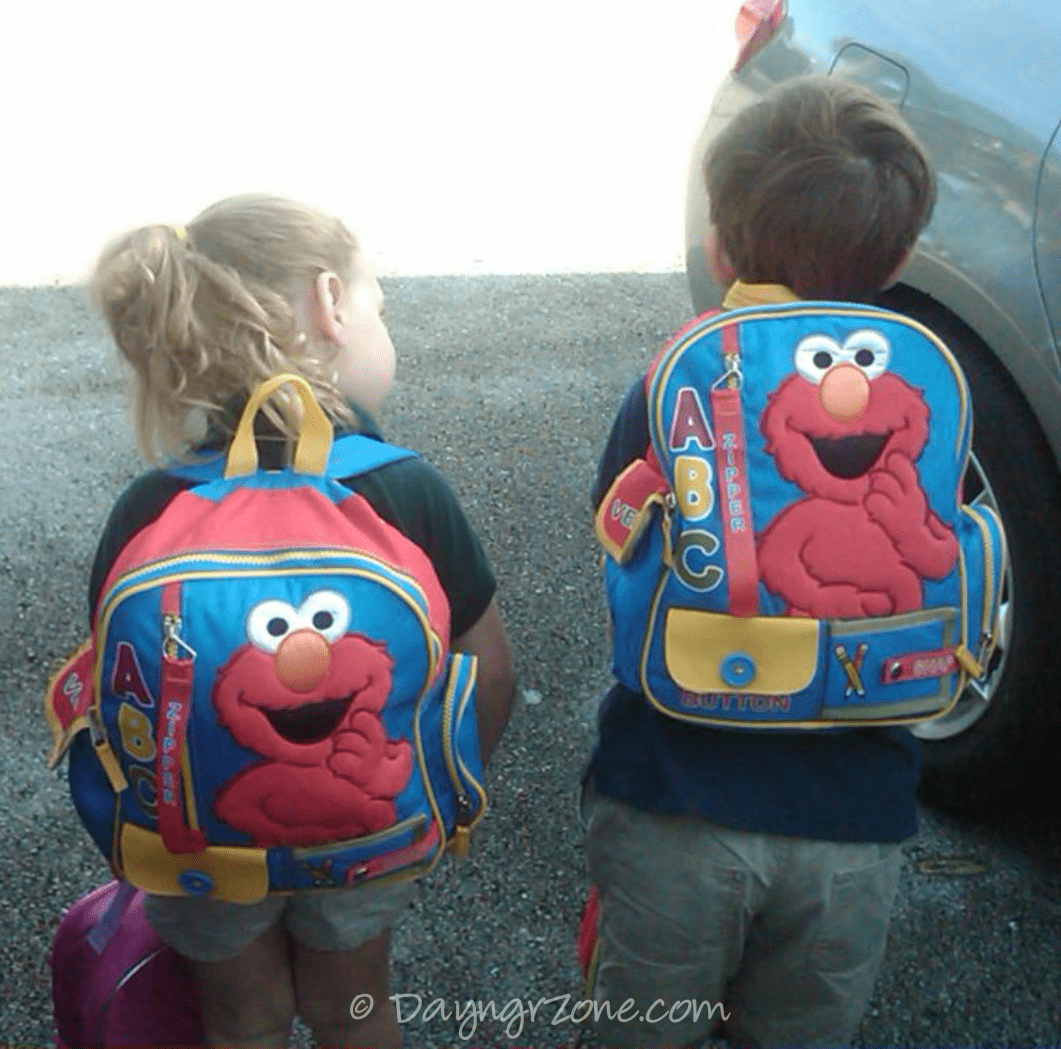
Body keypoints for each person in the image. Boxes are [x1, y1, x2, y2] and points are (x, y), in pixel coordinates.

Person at [88, 194, 516, 1049]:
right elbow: (491, 670)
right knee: (353, 1008)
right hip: (370, 822)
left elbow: (113, 689)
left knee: (242, 1019)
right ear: (330, 305)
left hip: (198, 845)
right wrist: (429, 784)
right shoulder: (400, 492)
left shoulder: (151, 506)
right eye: (377, 308)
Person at [582, 76, 937, 1048]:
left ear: (718, 246)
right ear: (902, 255)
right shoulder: (923, 385)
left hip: (675, 797)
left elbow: (619, 538)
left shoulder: (676, 375)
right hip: (857, 810)